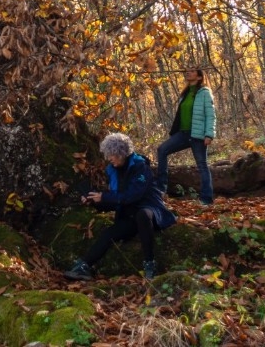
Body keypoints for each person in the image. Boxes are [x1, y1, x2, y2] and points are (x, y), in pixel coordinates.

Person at [63, 132, 175, 281]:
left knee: (143, 215)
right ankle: (84, 266)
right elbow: (116, 199)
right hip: (128, 215)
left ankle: (150, 264)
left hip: (150, 210)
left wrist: (104, 196)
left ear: (121, 153)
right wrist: (96, 201)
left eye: (112, 155)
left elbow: (133, 196)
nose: (109, 158)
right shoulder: (113, 171)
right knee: (109, 233)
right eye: (108, 155)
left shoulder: (141, 167)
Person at [156, 68, 217, 206]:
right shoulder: (185, 93)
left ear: (200, 77)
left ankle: (206, 199)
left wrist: (209, 134)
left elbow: (211, 115)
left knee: (202, 165)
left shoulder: (205, 93)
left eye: (192, 71)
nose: (188, 73)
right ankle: (161, 190)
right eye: (187, 71)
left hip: (198, 135)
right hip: (183, 134)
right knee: (162, 150)